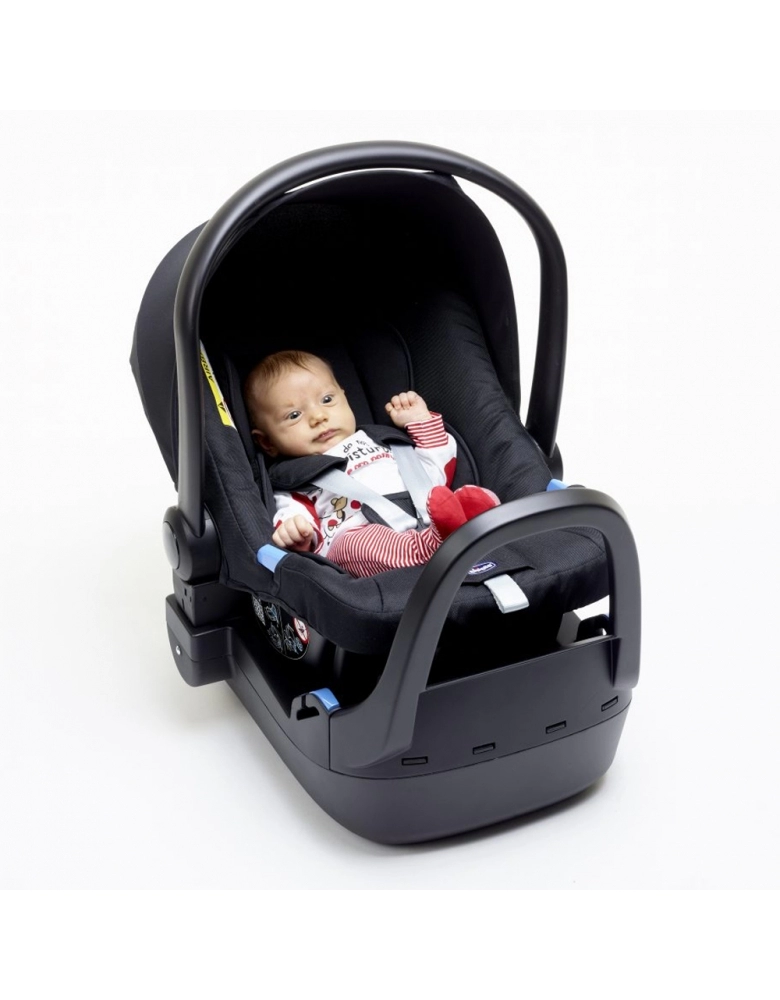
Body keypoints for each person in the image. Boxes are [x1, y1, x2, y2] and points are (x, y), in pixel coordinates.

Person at [243, 350, 499, 577]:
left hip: (427, 517)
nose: (318, 416)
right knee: (355, 545)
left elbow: (436, 468)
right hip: (357, 538)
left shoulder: (383, 440)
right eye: (294, 415)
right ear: (267, 442)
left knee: (464, 497)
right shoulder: (293, 482)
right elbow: (293, 518)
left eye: (327, 400)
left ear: (345, 397)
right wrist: (298, 535)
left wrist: (419, 421)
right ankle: (427, 549)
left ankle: (474, 531)